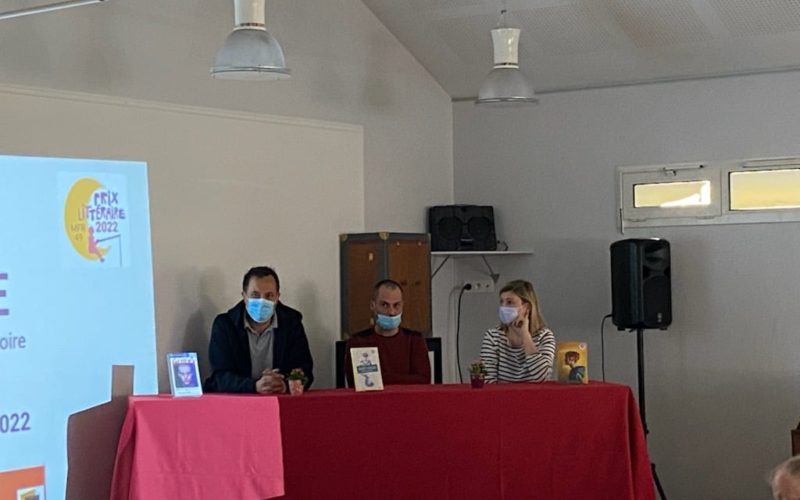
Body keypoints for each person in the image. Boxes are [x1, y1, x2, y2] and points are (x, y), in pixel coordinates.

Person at [205, 266, 314, 394]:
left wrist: (284, 385)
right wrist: (255, 386)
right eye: (255, 295)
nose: (262, 301)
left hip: (280, 399)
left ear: (277, 297)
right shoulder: (225, 325)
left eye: (269, 295)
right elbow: (220, 377)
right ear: (244, 296)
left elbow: (304, 370)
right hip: (239, 401)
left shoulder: (291, 323)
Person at [344, 279, 431, 386]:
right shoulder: (358, 342)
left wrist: (380, 378)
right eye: (385, 305)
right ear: (373, 305)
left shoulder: (414, 340)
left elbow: (423, 381)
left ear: (402, 305)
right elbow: (358, 383)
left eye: (396, 305)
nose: (391, 312)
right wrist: (403, 379)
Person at [480, 279, 555, 383]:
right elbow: (488, 380)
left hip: (534, 393)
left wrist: (525, 335)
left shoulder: (544, 336)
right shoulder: (493, 336)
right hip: (502, 393)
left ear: (526, 307)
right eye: (501, 302)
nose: (503, 307)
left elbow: (542, 377)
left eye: (509, 302)